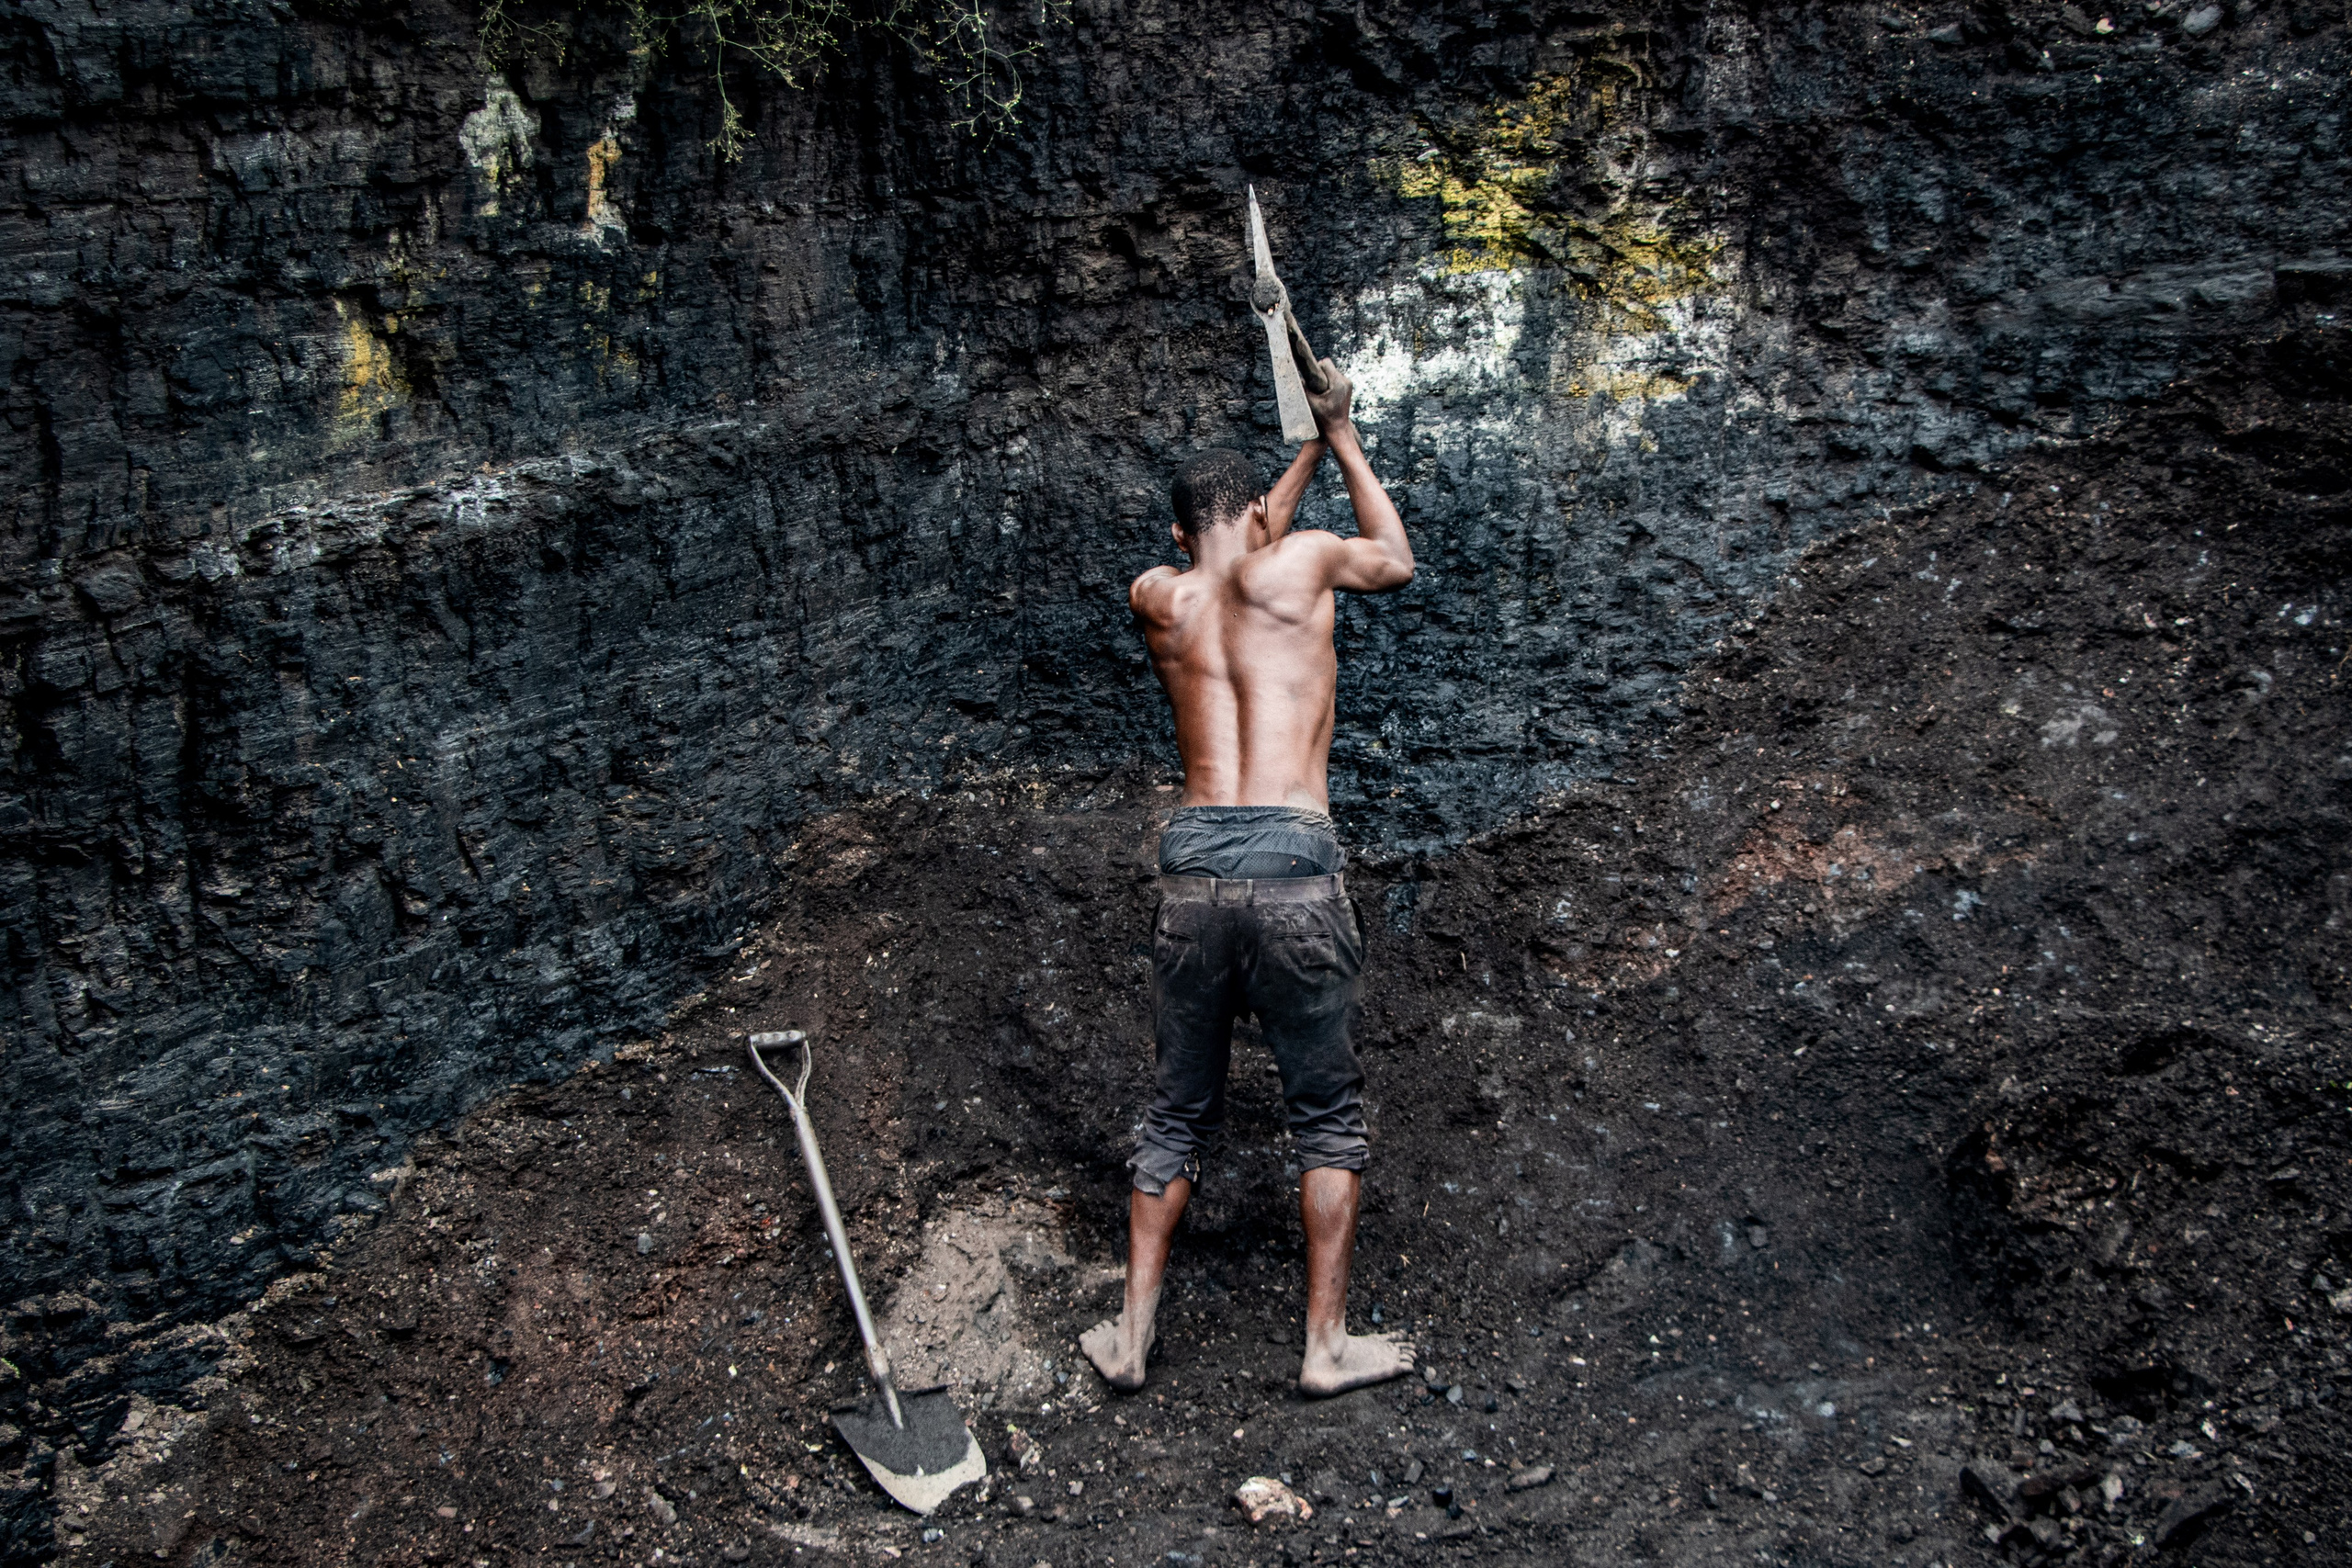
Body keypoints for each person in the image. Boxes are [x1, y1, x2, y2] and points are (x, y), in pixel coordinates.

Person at [1080, 360, 1418, 1398]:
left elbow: (1233, 537)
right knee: (1324, 1114)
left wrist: (1303, 448)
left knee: (1176, 1111)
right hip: (1294, 858)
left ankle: (1130, 1337)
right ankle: (1323, 1346)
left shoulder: (1158, 597)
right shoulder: (1307, 561)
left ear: (1181, 534)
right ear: (1266, 521)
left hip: (1192, 866)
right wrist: (1344, 436)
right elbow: (1395, 561)